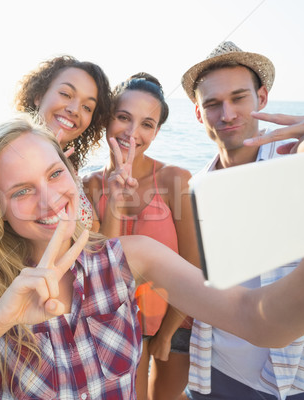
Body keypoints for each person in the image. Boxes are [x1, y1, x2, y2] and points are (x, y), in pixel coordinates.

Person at [0, 114, 304, 400]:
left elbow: (258, 320)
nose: (49, 200)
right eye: (20, 191)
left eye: (55, 175)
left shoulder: (132, 258)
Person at [181, 41, 304, 399]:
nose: (227, 114)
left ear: (261, 97)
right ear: (199, 114)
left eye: (238, 97)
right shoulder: (196, 185)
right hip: (216, 376)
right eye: (212, 104)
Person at [83, 73, 198, 399]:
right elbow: (100, 268)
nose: (133, 133)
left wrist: (165, 334)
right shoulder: (89, 186)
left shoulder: (173, 179)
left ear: (157, 131)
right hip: (110, 327)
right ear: (106, 118)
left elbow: (192, 264)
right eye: (123, 118)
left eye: (147, 124)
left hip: (172, 326)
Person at [0, 55, 111, 229]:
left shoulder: (68, 166)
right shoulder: (6, 148)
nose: (74, 109)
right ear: (39, 95)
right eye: (65, 94)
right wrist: (2, 205)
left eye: (87, 107)